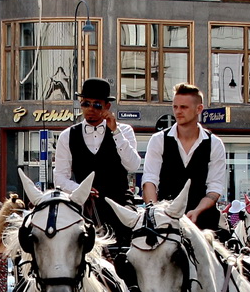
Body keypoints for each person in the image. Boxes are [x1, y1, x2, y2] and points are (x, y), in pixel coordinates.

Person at [53, 77, 141, 245]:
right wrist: (80, 189)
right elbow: (60, 177)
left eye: (97, 105)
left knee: (134, 238)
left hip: (119, 202)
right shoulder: (67, 135)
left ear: (107, 106)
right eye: (86, 103)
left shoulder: (124, 131)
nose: (90, 109)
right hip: (84, 204)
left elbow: (133, 165)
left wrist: (115, 132)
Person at [142, 83, 227, 230]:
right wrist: (155, 211)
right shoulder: (158, 140)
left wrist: (197, 211)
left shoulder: (214, 143)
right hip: (165, 220)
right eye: (175, 107)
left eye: (184, 107)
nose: (178, 112)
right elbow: (150, 180)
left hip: (203, 221)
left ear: (199, 109)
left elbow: (215, 187)